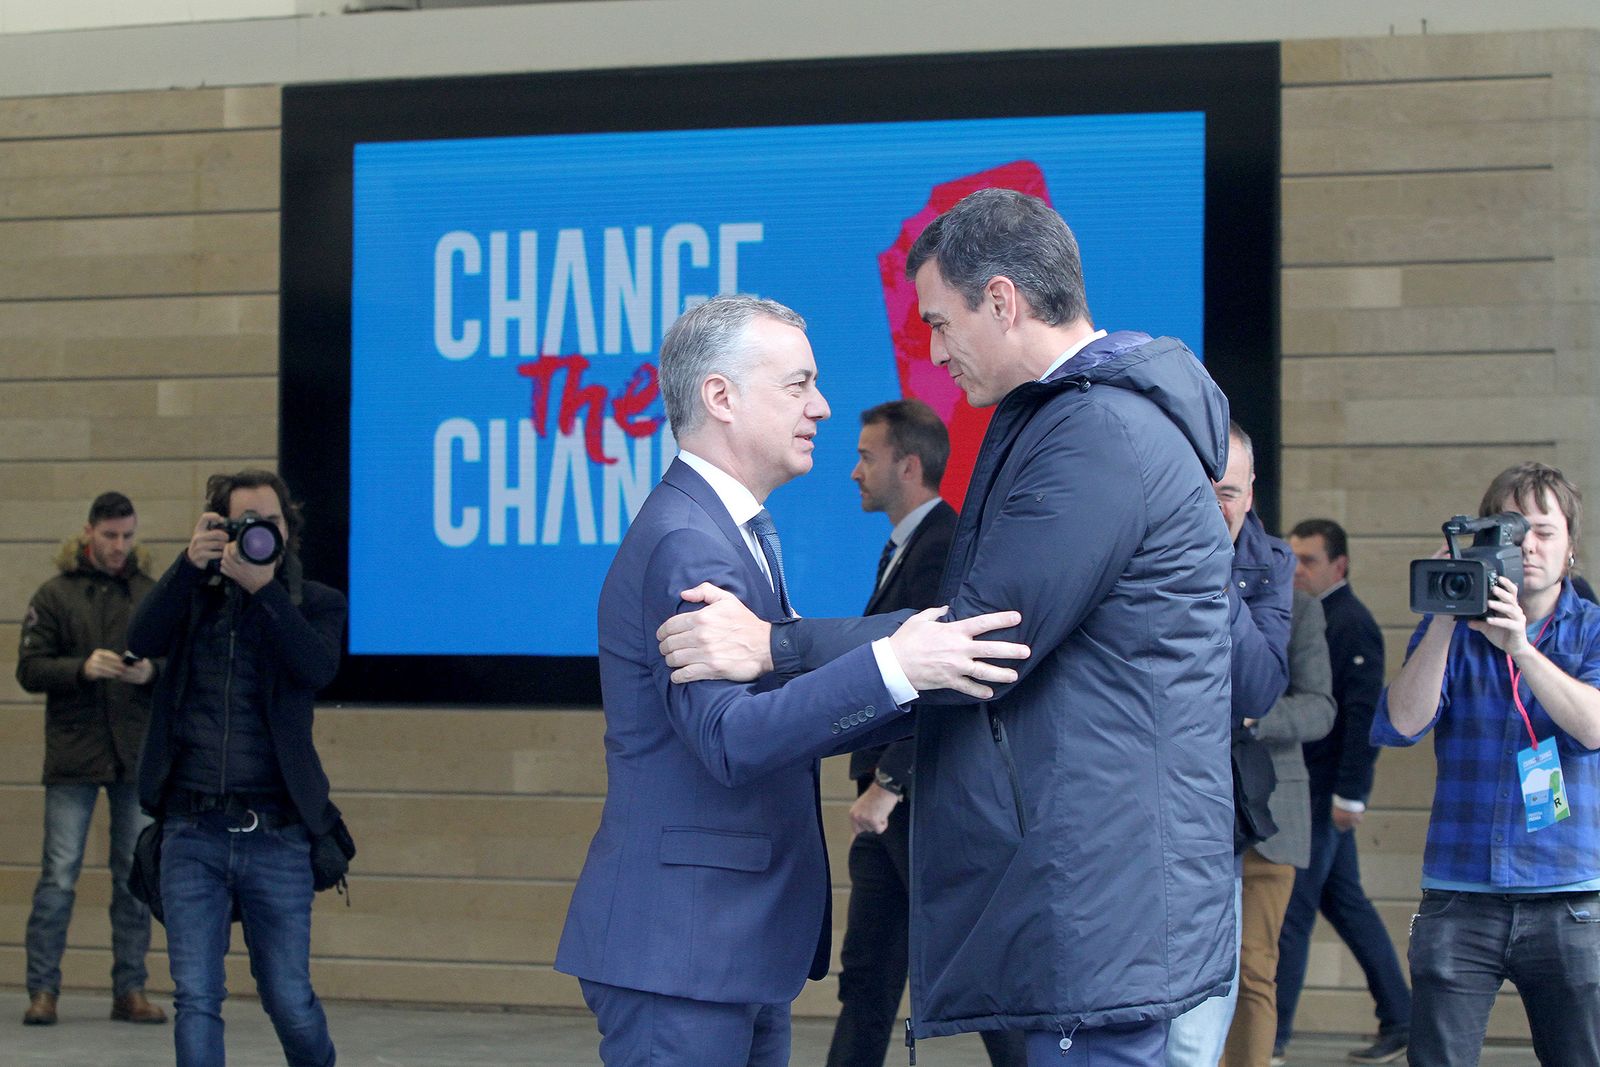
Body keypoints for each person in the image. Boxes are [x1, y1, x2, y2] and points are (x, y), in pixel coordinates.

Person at [658, 189, 1237, 1064]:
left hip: (1100, 922)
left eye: (938, 322)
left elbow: (975, 640)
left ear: (1001, 301)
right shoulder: (1073, 420)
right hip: (1088, 916)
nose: (929, 352)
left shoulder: (1098, 434)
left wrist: (774, 646)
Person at [554, 296, 1029, 1067]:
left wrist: (922, 686)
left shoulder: (725, 531)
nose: (822, 405)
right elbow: (734, 739)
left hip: (722, 950)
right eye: (798, 384)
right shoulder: (689, 543)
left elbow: (788, 702)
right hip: (685, 951)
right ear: (720, 397)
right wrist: (894, 668)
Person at [1374, 462, 1600, 1066]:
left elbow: (1595, 727)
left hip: (1569, 896)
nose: (1528, 543)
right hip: (1459, 894)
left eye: (1545, 531)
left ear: (1570, 547)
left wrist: (1521, 648)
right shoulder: (1449, 627)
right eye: (1512, 528)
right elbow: (1402, 722)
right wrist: (1446, 611)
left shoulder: (1593, 630)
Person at [826, 400, 1024, 1067]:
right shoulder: (909, 545)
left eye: (866, 455)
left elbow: (944, 676)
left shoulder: (942, 546)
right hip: (893, 810)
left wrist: (888, 782)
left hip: (922, 802)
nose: (854, 471)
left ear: (908, 465)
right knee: (868, 982)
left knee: (982, 978)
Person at [127, 470, 345, 1067]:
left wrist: (263, 592)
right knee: (197, 997)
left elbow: (316, 668)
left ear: (287, 529)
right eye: (243, 522)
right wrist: (185, 568)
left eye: (269, 522)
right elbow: (139, 637)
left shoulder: (315, 602)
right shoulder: (192, 599)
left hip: (277, 834)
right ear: (220, 530)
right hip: (191, 830)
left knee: (288, 997)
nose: (259, 533)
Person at [1168, 422, 1296, 1067]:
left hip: (1211, 816)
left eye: (1226, 492)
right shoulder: (1139, 548)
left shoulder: (1268, 567)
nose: (1213, 507)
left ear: (1250, 495)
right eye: (1200, 491)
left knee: (1199, 1021)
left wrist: (1212, 569)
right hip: (1128, 798)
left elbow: (1255, 688)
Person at [16, 492, 166, 1027]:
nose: (119, 546)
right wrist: (81, 667)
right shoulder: (54, 595)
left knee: (135, 878)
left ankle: (130, 991)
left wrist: (152, 674)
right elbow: (29, 670)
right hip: (74, 757)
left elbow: (179, 664)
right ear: (88, 533)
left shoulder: (150, 594)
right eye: (109, 536)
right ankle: (42, 991)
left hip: (134, 756)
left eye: (127, 536)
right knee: (58, 877)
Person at [1274, 519, 1411, 1065]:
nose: (1297, 570)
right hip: (1314, 791)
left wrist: (1351, 795)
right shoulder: (1309, 616)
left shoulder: (1351, 622)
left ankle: (1272, 1039)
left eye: (1309, 560)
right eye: (1293, 558)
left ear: (1340, 566)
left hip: (1323, 794)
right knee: (1345, 904)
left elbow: (1361, 718)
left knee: (1292, 914)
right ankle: (1401, 1017)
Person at [1223, 589, 1334, 1067]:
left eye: (1230, 503)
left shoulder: (1298, 605)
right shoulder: (1167, 578)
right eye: (1212, 503)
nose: (1219, 507)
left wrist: (1251, 714)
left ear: (1249, 506)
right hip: (1181, 808)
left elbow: (1319, 708)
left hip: (1266, 812)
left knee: (1251, 969)